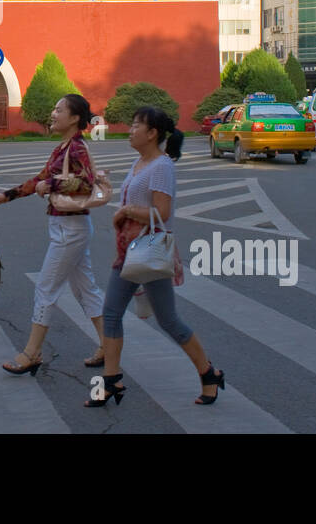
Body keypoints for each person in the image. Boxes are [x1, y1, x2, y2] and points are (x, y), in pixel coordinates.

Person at [92, 107, 224, 408]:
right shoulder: (140, 162)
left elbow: (161, 214)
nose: (130, 129)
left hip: (150, 252)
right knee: (111, 314)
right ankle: (111, 381)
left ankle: (209, 374)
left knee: (169, 321)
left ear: (152, 133)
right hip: (130, 251)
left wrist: (125, 211)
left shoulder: (162, 166)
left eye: (136, 125)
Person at [0, 94, 106, 375]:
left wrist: (51, 185)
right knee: (85, 289)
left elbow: (88, 183)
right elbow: (39, 179)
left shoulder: (77, 148)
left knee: (46, 287)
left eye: (58, 109)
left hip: (70, 229)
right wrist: (8, 195)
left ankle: (32, 352)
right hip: (66, 227)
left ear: (75, 118)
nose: (53, 113)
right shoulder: (62, 148)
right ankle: (107, 345)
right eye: (54, 108)